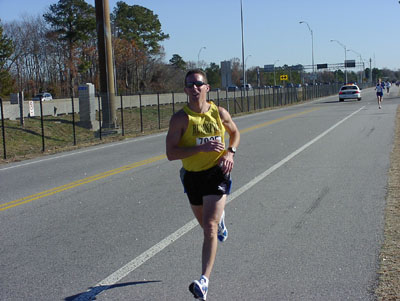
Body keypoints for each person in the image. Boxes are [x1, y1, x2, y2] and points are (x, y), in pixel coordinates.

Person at [166, 69, 240, 300]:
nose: (194, 88)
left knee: (209, 226)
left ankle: (204, 281)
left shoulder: (219, 113)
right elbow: (170, 153)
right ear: (186, 90)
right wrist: (200, 148)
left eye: (199, 84)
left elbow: (235, 133)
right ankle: (221, 222)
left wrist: (230, 152)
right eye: (189, 85)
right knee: (206, 225)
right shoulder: (181, 118)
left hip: (217, 173)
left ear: (207, 88)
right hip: (192, 177)